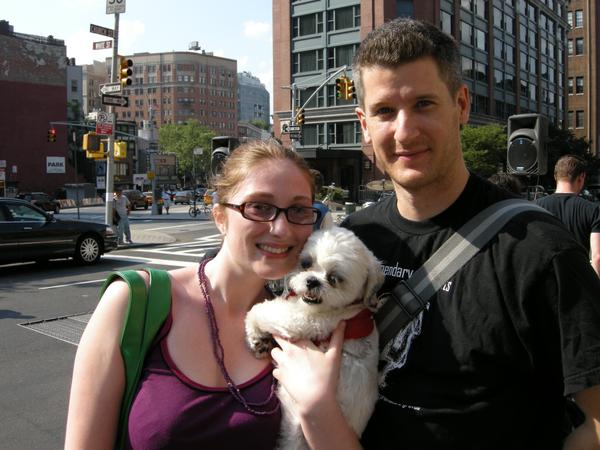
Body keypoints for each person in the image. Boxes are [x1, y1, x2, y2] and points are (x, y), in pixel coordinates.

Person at [270, 18, 600, 450]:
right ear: (363, 123)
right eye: (385, 111)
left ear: (460, 105)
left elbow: (596, 423)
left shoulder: (539, 250)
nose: (405, 131)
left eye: (423, 104)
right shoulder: (352, 239)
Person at [65, 140, 322, 449]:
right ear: (220, 217)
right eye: (259, 207)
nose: (280, 228)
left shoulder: (303, 325)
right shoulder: (133, 301)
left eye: (298, 210)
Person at [536, 155, 600, 276]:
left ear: (555, 176)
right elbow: (597, 257)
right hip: (579, 279)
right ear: (581, 177)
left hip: (546, 279)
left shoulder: (535, 207)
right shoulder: (593, 210)